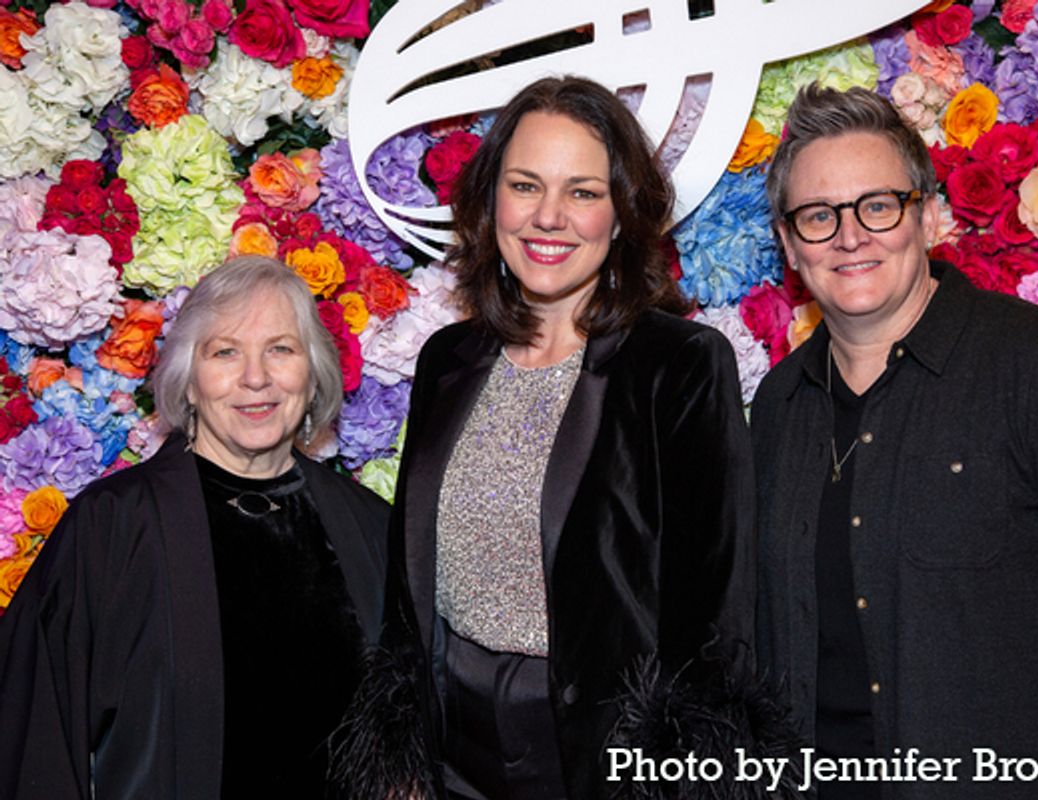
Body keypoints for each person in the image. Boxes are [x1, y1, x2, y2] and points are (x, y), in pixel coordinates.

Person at [752, 84, 1038, 799]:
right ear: (789, 245)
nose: (850, 236)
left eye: (877, 205)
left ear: (928, 216)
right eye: (818, 215)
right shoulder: (778, 407)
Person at [356, 76, 757, 799]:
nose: (548, 217)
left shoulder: (679, 366)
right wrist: (402, 755)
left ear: (622, 212)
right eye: (525, 185)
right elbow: (408, 579)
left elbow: (713, 613)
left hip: (599, 757)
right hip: (449, 743)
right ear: (491, 201)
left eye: (582, 192)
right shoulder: (447, 359)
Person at [0, 256, 429, 799]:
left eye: (281, 349)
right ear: (189, 381)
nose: (256, 377)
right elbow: (35, 735)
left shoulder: (371, 528)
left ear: (312, 374)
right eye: (225, 352)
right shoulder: (113, 527)